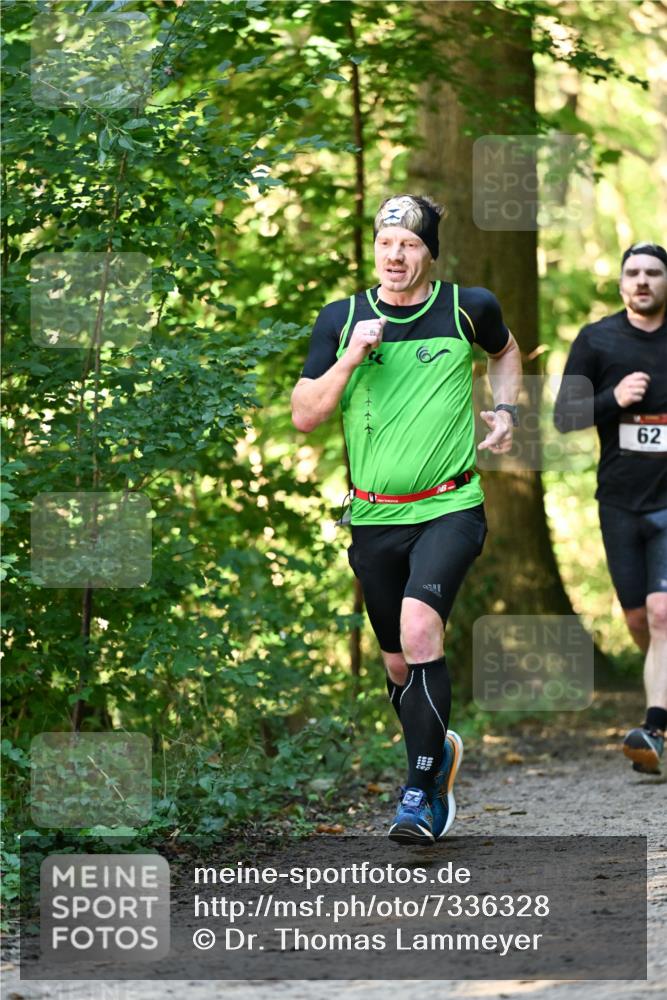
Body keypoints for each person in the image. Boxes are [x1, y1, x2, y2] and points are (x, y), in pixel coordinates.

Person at [291, 194, 522, 843]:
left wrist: (506, 413)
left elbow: (506, 354)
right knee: (397, 665)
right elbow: (305, 414)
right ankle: (435, 752)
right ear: (374, 248)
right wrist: (351, 356)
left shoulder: (465, 308)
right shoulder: (342, 319)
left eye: (409, 244)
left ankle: (419, 791)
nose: (396, 255)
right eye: (386, 242)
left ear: (429, 253)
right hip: (373, 517)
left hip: (450, 505)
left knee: (420, 632)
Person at [555, 242, 667, 774]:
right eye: (633, 273)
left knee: (664, 612)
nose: (642, 281)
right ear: (621, 283)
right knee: (640, 618)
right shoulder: (596, 340)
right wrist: (612, 399)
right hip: (619, 501)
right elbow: (562, 417)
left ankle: (656, 728)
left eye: (653, 273)